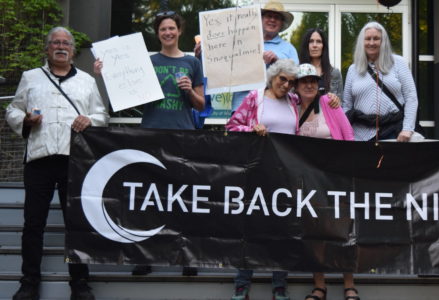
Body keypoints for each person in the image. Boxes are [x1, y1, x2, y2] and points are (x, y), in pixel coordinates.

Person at [94, 10, 204, 276]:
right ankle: (145, 256)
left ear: (179, 31)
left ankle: (185, 257)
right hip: (150, 135)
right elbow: (124, 92)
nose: (167, 33)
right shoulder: (146, 61)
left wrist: (189, 91)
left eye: (172, 28)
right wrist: (101, 74)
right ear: (158, 34)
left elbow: (202, 105)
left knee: (182, 197)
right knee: (148, 197)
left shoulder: (192, 62)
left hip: (183, 135)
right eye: (162, 29)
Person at [6, 26, 109, 300]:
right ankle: (28, 282)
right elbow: (12, 109)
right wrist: (25, 120)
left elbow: (101, 114)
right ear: (47, 48)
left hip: (74, 160)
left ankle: (80, 284)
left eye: (66, 43)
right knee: (33, 224)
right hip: (39, 158)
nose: (61, 47)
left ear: (73, 51)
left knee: (76, 224)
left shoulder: (87, 81)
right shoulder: (31, 78)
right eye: (55, 43)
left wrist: (90, 120)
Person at [225, 59, 298, 300]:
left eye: (291, 81)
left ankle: (279, 284)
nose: (286, 85)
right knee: (251, 226)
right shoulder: (255, 98)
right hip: (256, 172)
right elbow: (232, 126)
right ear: (273, 77)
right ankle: (242, 283)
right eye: (282, 79)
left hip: (285, 175)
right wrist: (251, 129)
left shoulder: (294, 102)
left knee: (282, 229)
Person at [294, 63, 357, 300]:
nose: (309, 85)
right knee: (314, 234)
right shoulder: (292, 107)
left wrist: (347, 168)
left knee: (342, 232)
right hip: (307, 182)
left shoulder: (329, 104)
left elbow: (348, 136)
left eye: (312, 80)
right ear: (296, 85)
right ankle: (319, 286)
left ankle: (349, 284)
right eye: (303, 81)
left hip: (335, 179)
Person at [342, 21, 419, 142]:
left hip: (393, 133)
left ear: (383, 42)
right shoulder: (353, 69)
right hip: (359, 136)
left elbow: (411, 97)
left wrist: (407, 129)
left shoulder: (399, 63)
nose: (371, 43)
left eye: (376, 38)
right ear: (362, 42)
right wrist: (347, 134)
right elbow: (346, 105)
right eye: (367, 39)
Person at [298, 28, 343, 99]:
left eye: (318, 41)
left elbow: (340, 103)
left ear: (323, 46)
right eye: (311, 41)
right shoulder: (297, 71)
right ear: (306, 45)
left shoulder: (334, 73)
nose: (314, 45)